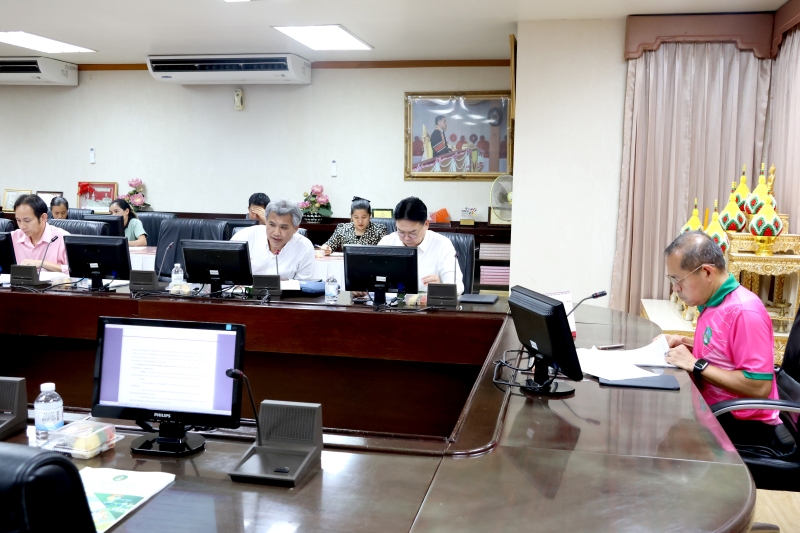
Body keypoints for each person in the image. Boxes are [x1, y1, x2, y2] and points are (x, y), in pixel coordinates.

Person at [662, 231, 795, 454]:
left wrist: (695, 364)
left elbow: (759, 386)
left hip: (742, 425)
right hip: (715, 411)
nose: (675, 289)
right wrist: (682, 343)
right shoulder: (714, 303)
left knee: (662, 444)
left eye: (678, 280)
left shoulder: (744, 311)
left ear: (706, 272)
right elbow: (722, 353)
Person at [378, 197, 463, 294]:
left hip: (428, 302)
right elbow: (371, 276)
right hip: (390, 302)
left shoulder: (442, 244)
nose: (406, 238)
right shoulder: (388, 242)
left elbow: (457, 286)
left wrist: (440, 288)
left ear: (426, 224)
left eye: (412, 233)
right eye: (401, 232)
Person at [231, 199, 314, 280]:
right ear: (266, 222)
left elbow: (303, 285)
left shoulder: (304, 247)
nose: (276, 233)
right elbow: (227, 274)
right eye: (272, 225)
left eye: (283, 227)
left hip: (286, 290)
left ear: (295, 228)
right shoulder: (245, 236)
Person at [12, 194, 70, 274]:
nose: (22, 226)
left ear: (43, 218)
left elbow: (77, 271)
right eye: (18, 220)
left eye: (27, 220)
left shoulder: (62, 238)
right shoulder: (13, 237)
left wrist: (42, 263)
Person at [319, 197, 387, 254]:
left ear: (370, 215)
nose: (360, 221)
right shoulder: (343, 228)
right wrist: (326, 248)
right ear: (351, 216)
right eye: (356, 217)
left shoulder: (379, 230)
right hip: (347, 264)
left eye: (364, 217)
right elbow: (329, 245)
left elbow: (386, 252)